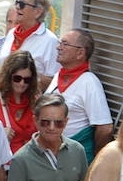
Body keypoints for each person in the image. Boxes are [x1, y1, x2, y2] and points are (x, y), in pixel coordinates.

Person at [46, 29, 113, 160]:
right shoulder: (58, 76)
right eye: (60, 43)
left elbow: (105, 128)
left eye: (65, 44)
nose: (58, 47)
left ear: (80, 53)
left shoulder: (90, 82)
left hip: (73, 159)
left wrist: (96, 160)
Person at [0, 0, 59, 78]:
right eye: (17, 2)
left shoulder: (51, 41)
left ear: (38, 12)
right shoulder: (12, 33)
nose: (17, 7)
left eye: (22, 4)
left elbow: (54, 83)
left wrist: (27, 78)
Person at [0, 50, 38, 154]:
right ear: (8, 76)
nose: (22, 83)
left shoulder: (35, 101)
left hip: (24, 164)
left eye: (27, 80)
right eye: (17, 78)